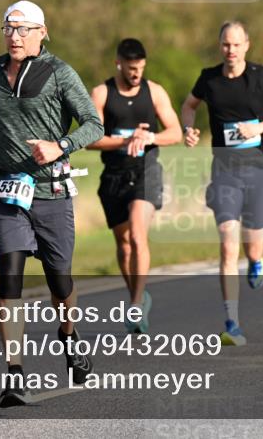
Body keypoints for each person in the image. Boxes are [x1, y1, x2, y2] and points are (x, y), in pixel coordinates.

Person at [0, 0, 103, 407]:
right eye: (8, 28)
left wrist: (59, 146)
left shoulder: (59, 73)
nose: (14, 35)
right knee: (9, 276)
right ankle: (14, 374)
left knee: (60, 280)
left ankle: (70, 336)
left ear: (43, 32)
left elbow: (93, 123)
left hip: (51, 192)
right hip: (7, 191)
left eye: (23, 29)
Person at [181, 21, 263, 347]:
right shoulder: (209, 78)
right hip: (225, 173)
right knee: (228, 245)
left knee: (252, 247)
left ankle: (258, 260)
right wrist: (188, 129)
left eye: (236, 44)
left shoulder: (261, 76)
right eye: (225, 45)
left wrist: (259, 128)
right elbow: (189, 106)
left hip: (258, 169)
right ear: (220, 47)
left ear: (247, 45)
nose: (230, 51)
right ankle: (231, 322)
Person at [86, 39, 182, 333]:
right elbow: (91, 139)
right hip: (114, 175)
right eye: (131, 69)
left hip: (146, 171)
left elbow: (175, 132)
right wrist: (126, 140)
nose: (136, 74)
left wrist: (149, 138)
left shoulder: (154, 92)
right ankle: (137, 297)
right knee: (124, 245)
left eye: (140, 68)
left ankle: (136, 304)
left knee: (139, 236)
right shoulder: (102, 93)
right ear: (118, 64)